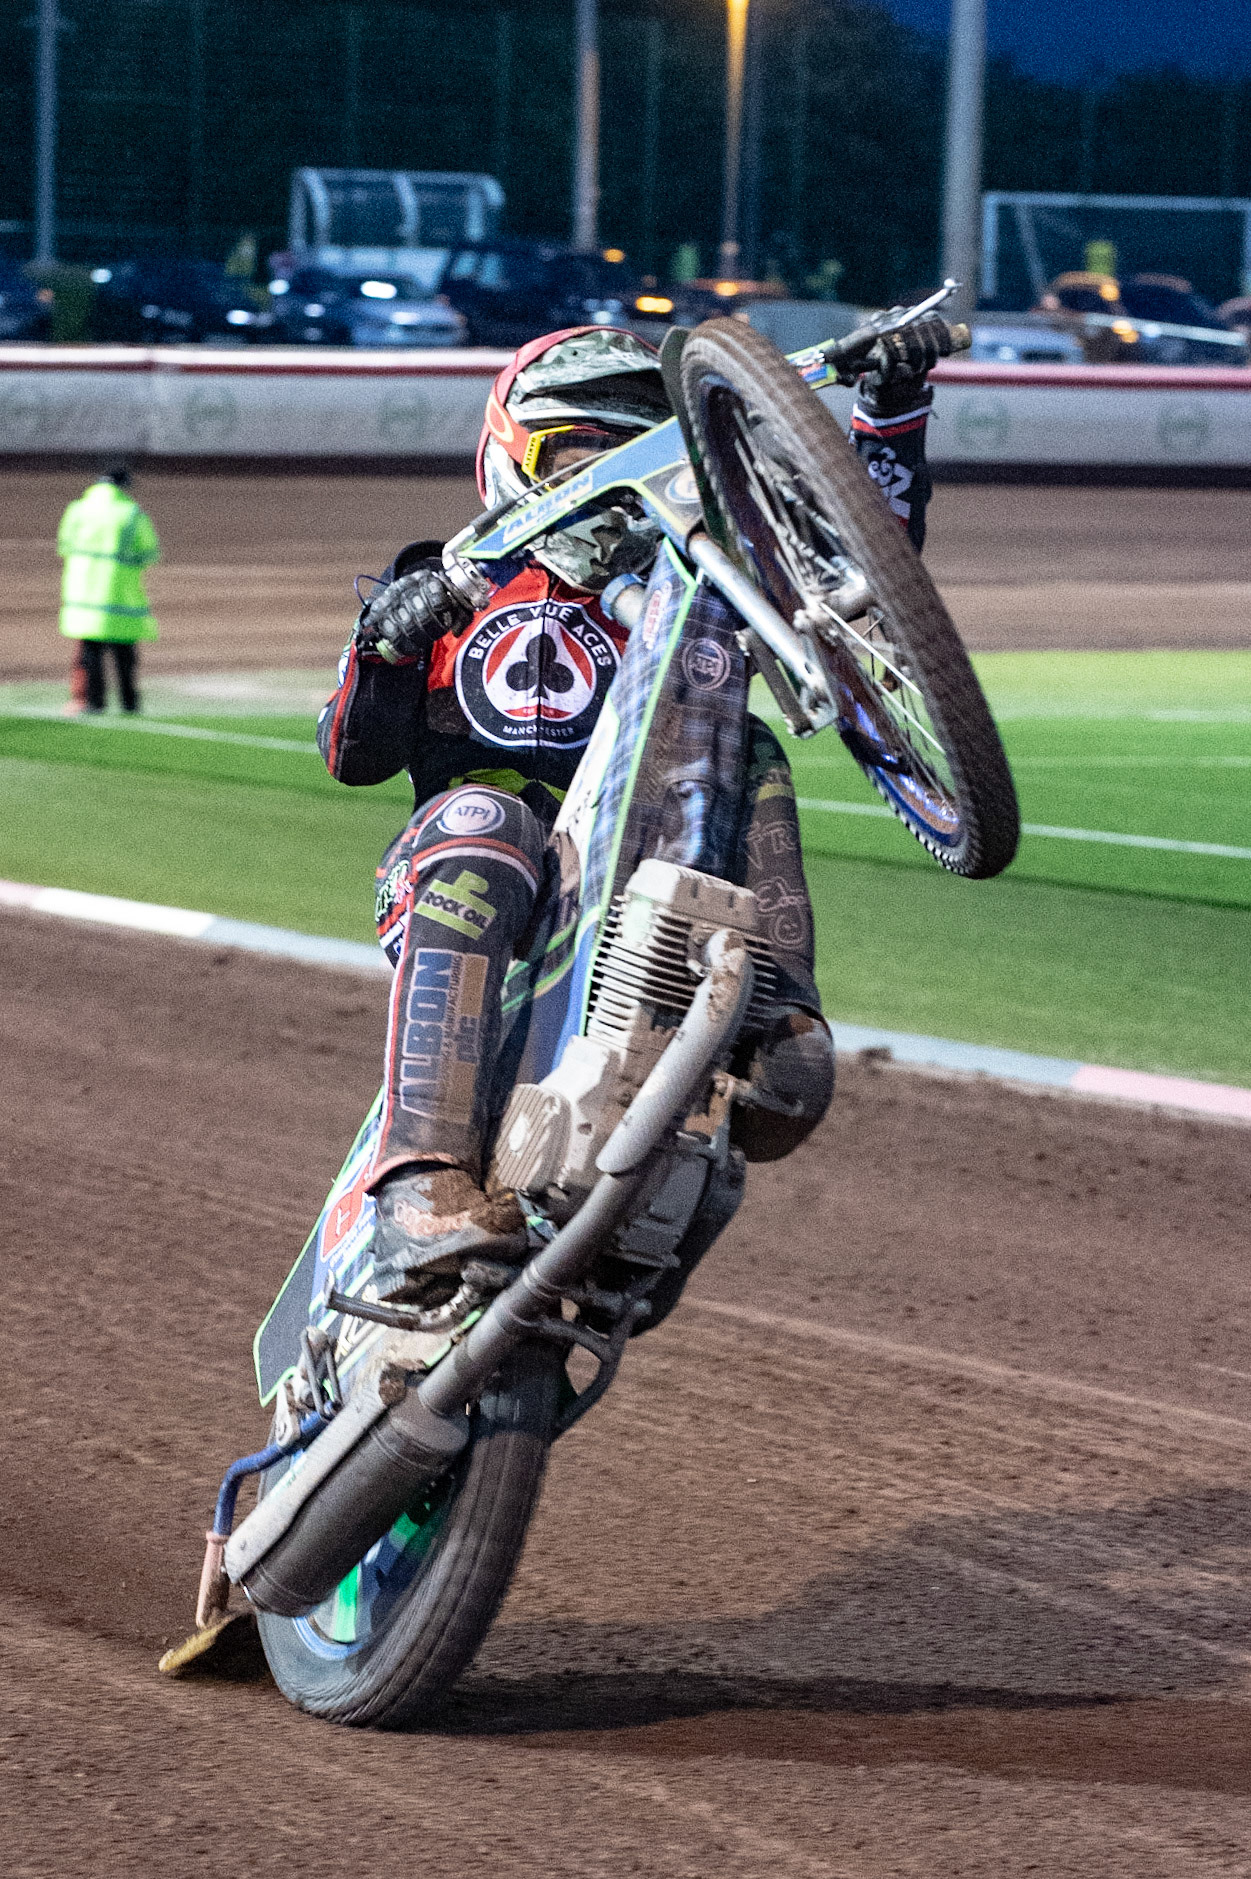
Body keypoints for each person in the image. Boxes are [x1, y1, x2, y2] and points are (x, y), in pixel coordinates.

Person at [317, 318, 951, 1302]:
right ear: (512, 456)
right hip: (465, 881)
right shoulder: (445, 579)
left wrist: (891, 414)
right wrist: (385, 644)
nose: (607, 481)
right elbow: (351, 757)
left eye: (635, 454)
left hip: (632, 864)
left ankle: (778, 1016)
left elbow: (853, 580)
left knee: (748, 743)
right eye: (579, 455)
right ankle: (417, 1182)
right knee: (486, 820)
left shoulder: (691, 587)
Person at [58, 466, 160, 714]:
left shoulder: (77, 510)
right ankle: (129, 702)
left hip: (84, 595)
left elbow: (65, 546)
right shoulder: (132, 513)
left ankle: (94, 702)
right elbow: (149, 552)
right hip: (121, 595)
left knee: (90, 652)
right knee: (124, 654)